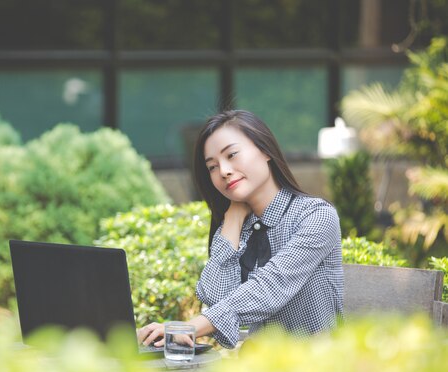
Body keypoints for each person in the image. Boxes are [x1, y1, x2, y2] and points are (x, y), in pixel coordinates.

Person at [137, 110, 344, 349]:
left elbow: (270, 286)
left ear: (265, 150)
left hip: (317, 370)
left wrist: (189, 327)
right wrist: (232, 221)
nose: (223, 170)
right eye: (212, 167)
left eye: (232, 155)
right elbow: (215, 298)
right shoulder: (235, 228)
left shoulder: (316, 216)